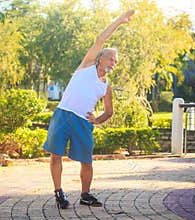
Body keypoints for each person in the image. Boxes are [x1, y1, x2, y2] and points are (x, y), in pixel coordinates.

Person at [43, 9, 135, 209]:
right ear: (100, 58)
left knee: (87, 161)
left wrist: (97, 120)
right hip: (63, 114)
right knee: (55, 154)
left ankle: (85, 195)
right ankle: (59, 192)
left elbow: (109, 112)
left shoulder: (106, 86)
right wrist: (120, 21)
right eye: (111, 59)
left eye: (116, 62)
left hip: (83, 122)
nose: (114, 63)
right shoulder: (86, 66)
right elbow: (101, 39)